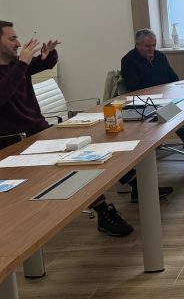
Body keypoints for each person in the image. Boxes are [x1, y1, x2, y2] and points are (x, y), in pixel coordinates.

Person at [0, 21, 133, 237]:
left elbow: (46, 64)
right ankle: (104, 211)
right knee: (73, 164)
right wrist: (23, 63)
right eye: (12, 38)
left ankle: (133, 182)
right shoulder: (18, 66)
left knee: (91, 149)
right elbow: (3, 93)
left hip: (40, 130)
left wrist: (49, 54)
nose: (18, 43)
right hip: (17, 140)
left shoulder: (17, 65)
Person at [120, 28, 184, 193]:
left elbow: (174, 78)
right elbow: (134, 88)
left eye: (154, 45)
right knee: (173, 114)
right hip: (144, 105)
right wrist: (158, 97)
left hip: (165, 100)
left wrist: (175, 93)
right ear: (137, 45)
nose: (152, 49)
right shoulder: (128, 60)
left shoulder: (160, 56)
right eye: (148, 46)